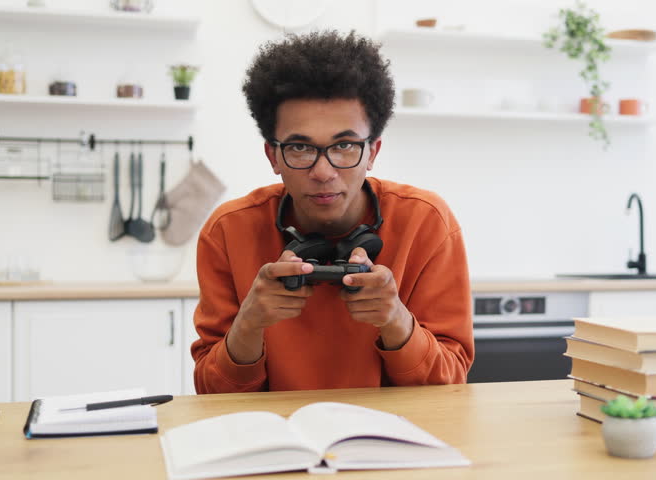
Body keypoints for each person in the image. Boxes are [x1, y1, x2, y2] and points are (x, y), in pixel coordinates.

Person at [191, 30, 474, 393]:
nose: (323, 172)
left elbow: (451, 386)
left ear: (372, 152)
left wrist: (396, 320)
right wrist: (248, 325)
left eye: (344, 145)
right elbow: (211, 394)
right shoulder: (228, 231)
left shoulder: (427, 223)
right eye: (299, 147)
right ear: (273, 156)